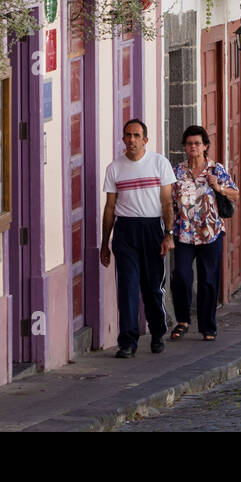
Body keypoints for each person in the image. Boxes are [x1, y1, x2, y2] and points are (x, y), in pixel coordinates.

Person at [100, 119, 175, 358]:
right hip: (125, 231)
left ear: (145, 140)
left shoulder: (159, 163)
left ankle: (157, 332)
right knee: (127, 288)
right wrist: (105, 243)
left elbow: (167, 202)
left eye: (136, 136)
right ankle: (127, 342)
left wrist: (168, 234)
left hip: (152, 229)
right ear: (123, 138)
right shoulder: (114, 169)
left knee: (153, 287)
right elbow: (110, 207)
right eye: (128, 135)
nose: (131, 140)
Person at [170, 126, 239, 342]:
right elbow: (168, 201)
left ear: (205, 146)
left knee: (208, 280)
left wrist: (218, 188)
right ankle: (183, 320)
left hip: (210, 233)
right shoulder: (177, 171)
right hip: (184, 233)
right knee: (181, 276)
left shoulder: (216, 169)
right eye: (189, 143)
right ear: (185, 146)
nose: (193, 147)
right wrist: (168, 230)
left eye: (197, 143)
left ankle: (208, 325)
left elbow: (235, 195)